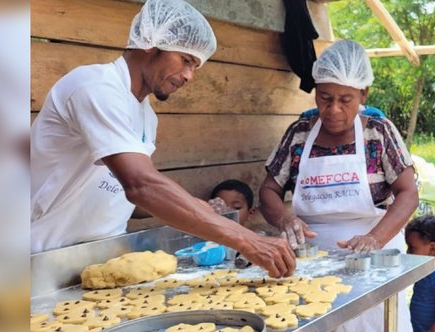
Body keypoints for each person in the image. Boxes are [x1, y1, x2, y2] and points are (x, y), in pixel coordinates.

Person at [30, 0, 294, 277]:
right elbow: (140, 184)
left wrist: (196, 207)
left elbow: (129, 198)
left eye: (196, 66)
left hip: (100, 264)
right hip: (40, 258)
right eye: (186, 60)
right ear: (150, 43)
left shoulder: (146, 117)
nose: (190, 76)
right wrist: (246, 239)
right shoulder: (95, 87)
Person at [259, 39, 419, 332]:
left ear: (363, 93)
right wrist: (285, 220)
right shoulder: (300, 132)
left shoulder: (378, 132)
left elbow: (408, 193)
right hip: (314, 265)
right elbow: (268, 190)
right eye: (324, 98)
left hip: (373, 263)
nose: (332, 109)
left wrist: (374, 238)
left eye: (344, 100)